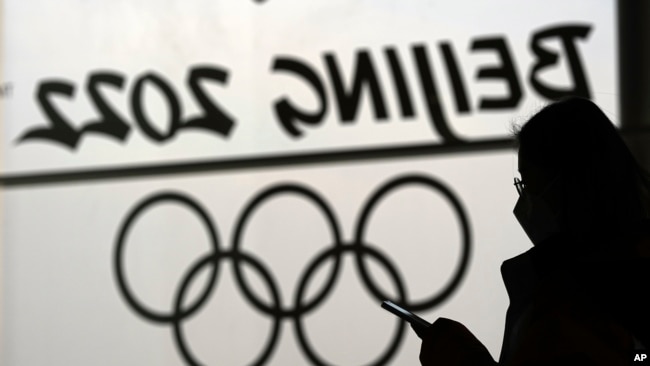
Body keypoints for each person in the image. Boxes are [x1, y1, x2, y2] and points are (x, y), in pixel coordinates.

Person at [417, 97, 650, 365]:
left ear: (570, 183)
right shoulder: (628, 273)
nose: (525, 200)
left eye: (528, 182)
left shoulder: (571, 303)